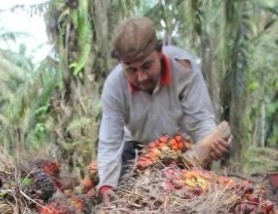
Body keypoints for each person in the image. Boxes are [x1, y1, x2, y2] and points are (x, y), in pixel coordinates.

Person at [97, 17, 230, 201]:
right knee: (134, 202)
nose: (141, 77)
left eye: (147, 66)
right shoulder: (114, 87)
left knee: (192, 202)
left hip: (183, 152)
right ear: (121, 64)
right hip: (139, 152)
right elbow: (110, 142)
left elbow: (201, 121)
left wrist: (210, 146)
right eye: (131, 70)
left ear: (159, 51)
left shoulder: (185, 70)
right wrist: (106, 185)